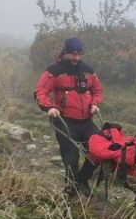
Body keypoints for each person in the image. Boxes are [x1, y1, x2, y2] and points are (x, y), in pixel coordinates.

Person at [35, 37, 103, 197]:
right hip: (65, 121)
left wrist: (95, 103)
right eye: (73, 54)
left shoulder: (88, 71)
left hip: (86, 122)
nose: (76, 58)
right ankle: (71, 191)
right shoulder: (54, 71)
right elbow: (40, 91)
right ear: (65, 53)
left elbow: (98, 91)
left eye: (79, 54)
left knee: (99, 151)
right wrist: (50, 107)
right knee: (72, 157)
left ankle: (83, 179)